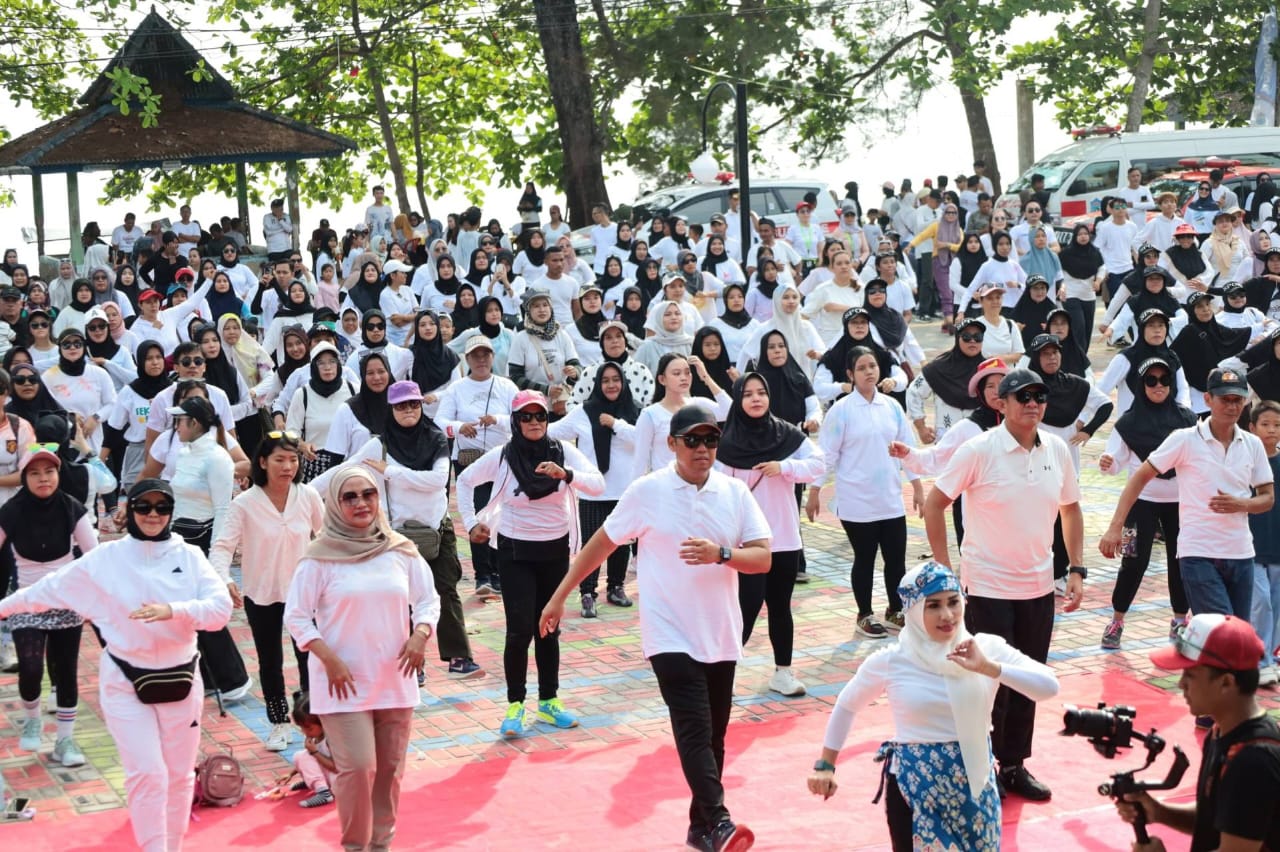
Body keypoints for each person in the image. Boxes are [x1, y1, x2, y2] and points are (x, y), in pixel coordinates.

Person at [539, 404, 772, 852]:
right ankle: (721, 822)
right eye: (693, 440)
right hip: (668, 633)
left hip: (720, 633)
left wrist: (721, 554)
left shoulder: (735, 493)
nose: (703, 449)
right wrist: (560, 595)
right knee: (693, 725)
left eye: (710, 440)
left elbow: (762, 558)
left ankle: (700, 828)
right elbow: (602, 542)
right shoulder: (648, 491)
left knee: (714, 736)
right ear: (672, 444)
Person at [0, 479, 232, 852]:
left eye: (162, 507)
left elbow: (221, 611)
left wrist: (173, 610)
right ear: (130, 511)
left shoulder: (189, 556)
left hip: (182, 679)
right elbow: (45, 590)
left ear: (172, 511)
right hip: (125, 680)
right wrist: (3, 609)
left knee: (178, 776)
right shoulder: (105, 559)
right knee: (148, 774)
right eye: (144, 507)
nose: (153, 515)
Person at [808, 561, 1060, 851]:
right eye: (933, 606)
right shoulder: (892, 660)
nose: (947, 615)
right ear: (914, 612)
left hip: (976, 791)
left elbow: (1049, 687)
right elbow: (847, 704)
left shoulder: (985, 648)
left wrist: (989, 668)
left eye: (953, 602)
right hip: (915, 793)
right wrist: (825, 765)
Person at [922, 368, 1085, 801]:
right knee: (985, 684)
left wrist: (1076, 568)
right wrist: (943, 571)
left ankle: (1013, 765)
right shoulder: (979, 449)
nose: (1032, 404)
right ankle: (978, 764)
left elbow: (1071, 509)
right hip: (988, 588)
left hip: (1038, 586)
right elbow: (935, 504)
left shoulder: (1058, 450)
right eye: (1022, 396)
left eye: (1039, 396)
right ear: (1002, 403)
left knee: (1026, 680)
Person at [284, 468, 440, 852]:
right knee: (357, 767)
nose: (361, 503)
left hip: (394, 678)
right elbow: (297, 616)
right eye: (349, 497)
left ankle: (380, 845)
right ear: (335, 504)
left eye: (368, 494)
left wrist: (420, 635)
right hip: (342, 682)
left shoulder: (400, 549)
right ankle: (355, 846)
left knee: (389, 771)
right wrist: (327, 658)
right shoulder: (319, 558)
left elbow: (428, 600)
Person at [457, 390, 605, 737]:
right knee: (520, 629)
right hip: (514, 551)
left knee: (548, 627)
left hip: (555, 550)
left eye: (540, 416)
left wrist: (566, 474)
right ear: (516, 421)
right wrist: (470, 521)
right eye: (526, 417)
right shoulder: (503, 456)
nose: (535, 422)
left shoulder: (562, 451)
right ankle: (515, 705)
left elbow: (598, 484)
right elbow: (464, 480)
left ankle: (549, 701)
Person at [314, 380, 484, 681]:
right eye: (401, 406)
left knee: (445, 590)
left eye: (414, 404)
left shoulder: (435, 438)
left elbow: (437, 480)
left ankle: (459, 658)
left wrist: (390, 472)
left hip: (437, 528)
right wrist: (303, 494)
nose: (408, 410)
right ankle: (412, 665)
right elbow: (344, 471)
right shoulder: (379, 445)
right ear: (390, 410)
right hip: (397, 534)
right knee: (399, 599)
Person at [1101, 367, 1275, 622]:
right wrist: (1115, 527)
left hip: (1218, 537)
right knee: (1133, 560)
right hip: (1145, 509)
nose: (1158, 386)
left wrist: (1241, 504)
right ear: (1208, 399)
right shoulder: (1138, 424)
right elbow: (1127, 469)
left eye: (1237, 400)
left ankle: (1180, 621)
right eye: (1151, 380)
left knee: (1235, 630)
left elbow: (1267, 497)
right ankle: (1117, 619)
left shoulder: (1245, 441)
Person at [1116, 614, 1280, 852]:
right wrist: (1160, 812)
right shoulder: (1221, 732)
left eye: (1190, 675)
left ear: (1226, 683)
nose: (1181, 684)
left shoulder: (1252, 760)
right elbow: (1216, 819)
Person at [210, 431, 324, 751]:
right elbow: (222, 547)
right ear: (262, 462)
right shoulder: (245, 503)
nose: (287, 466)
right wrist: (225, 580)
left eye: (293, 459)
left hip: (304, 593)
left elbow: (327, 535)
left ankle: (312, 721)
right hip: (261, 594)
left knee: (308, 659)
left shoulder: (308, 495)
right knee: (269, 661)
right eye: (279, 459)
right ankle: (277, 722)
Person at [717, 373, 823, 696]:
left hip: (785, 538)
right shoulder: (726, 442)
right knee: (745, 606)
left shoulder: (788, 436)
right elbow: (715, 488)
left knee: (781, 606)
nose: (755, 399)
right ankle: (724, 673)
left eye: (761, 392)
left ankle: (784, 672)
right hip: (747, 544)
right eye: (747, 394)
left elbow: (819, 463)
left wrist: (785, 468)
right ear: (738, 400)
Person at [0, 446, 98, 767]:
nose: (43, 479)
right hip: (26, 599)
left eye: (49, 472)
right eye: (35, 473)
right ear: (25, 478)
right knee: (30, 668)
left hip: (66, 601)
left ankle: (65, 741)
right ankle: (32, 719)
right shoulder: (11, 511)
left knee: (65, 671)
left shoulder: (72, 508)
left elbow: (95, 557)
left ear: (58, 474)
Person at [817, 346, 921, 638]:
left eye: (872, 366)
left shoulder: (891, 407)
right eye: (861, 368)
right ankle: (864, 614)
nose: (869, 372)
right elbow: (827, 455)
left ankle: (894, 609)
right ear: (850, 374)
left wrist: (917, 486)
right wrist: (814, 490)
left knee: (896, 559)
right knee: (864, 558)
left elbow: (907, 449)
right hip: (856, 499)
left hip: (889, 497)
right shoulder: (841, 410)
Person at [547, 361, 640, 617]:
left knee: (621, 541)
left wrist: (615, 423)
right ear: (598, 384)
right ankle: (588, 592)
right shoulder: (584, 412)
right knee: (591, 544)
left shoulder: (635, 412)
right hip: (592, 490)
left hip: (624, 491)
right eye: (605, 381)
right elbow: (552, 432)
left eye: (615, 379)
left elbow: (643, 439)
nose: (611, 385)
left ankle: (616, 587)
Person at [435, 335, 520, 596]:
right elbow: (440, 421)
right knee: (478, 513)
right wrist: (461, 427)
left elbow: (520, 418)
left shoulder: (507, 386)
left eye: (486, 355)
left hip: (503, 459)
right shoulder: (456, 389)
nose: (481, 360)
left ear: (493, 357)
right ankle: (483, 574)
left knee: (502, 515)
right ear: (467, 359)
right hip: (470, 460)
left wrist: (497, 420)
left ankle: (501, 571)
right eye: (475, 355)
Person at [289, 694, 338, 809]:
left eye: (309, 728)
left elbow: (336, 767)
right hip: (329, 777)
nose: (305, 732)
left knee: (305, 756)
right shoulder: (315, 737)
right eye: (302, 728)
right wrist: (291, 774)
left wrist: (315, 752)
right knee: (299, 756)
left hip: (338, 781)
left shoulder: (331, 739)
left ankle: (324, 794)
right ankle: (312, 782)